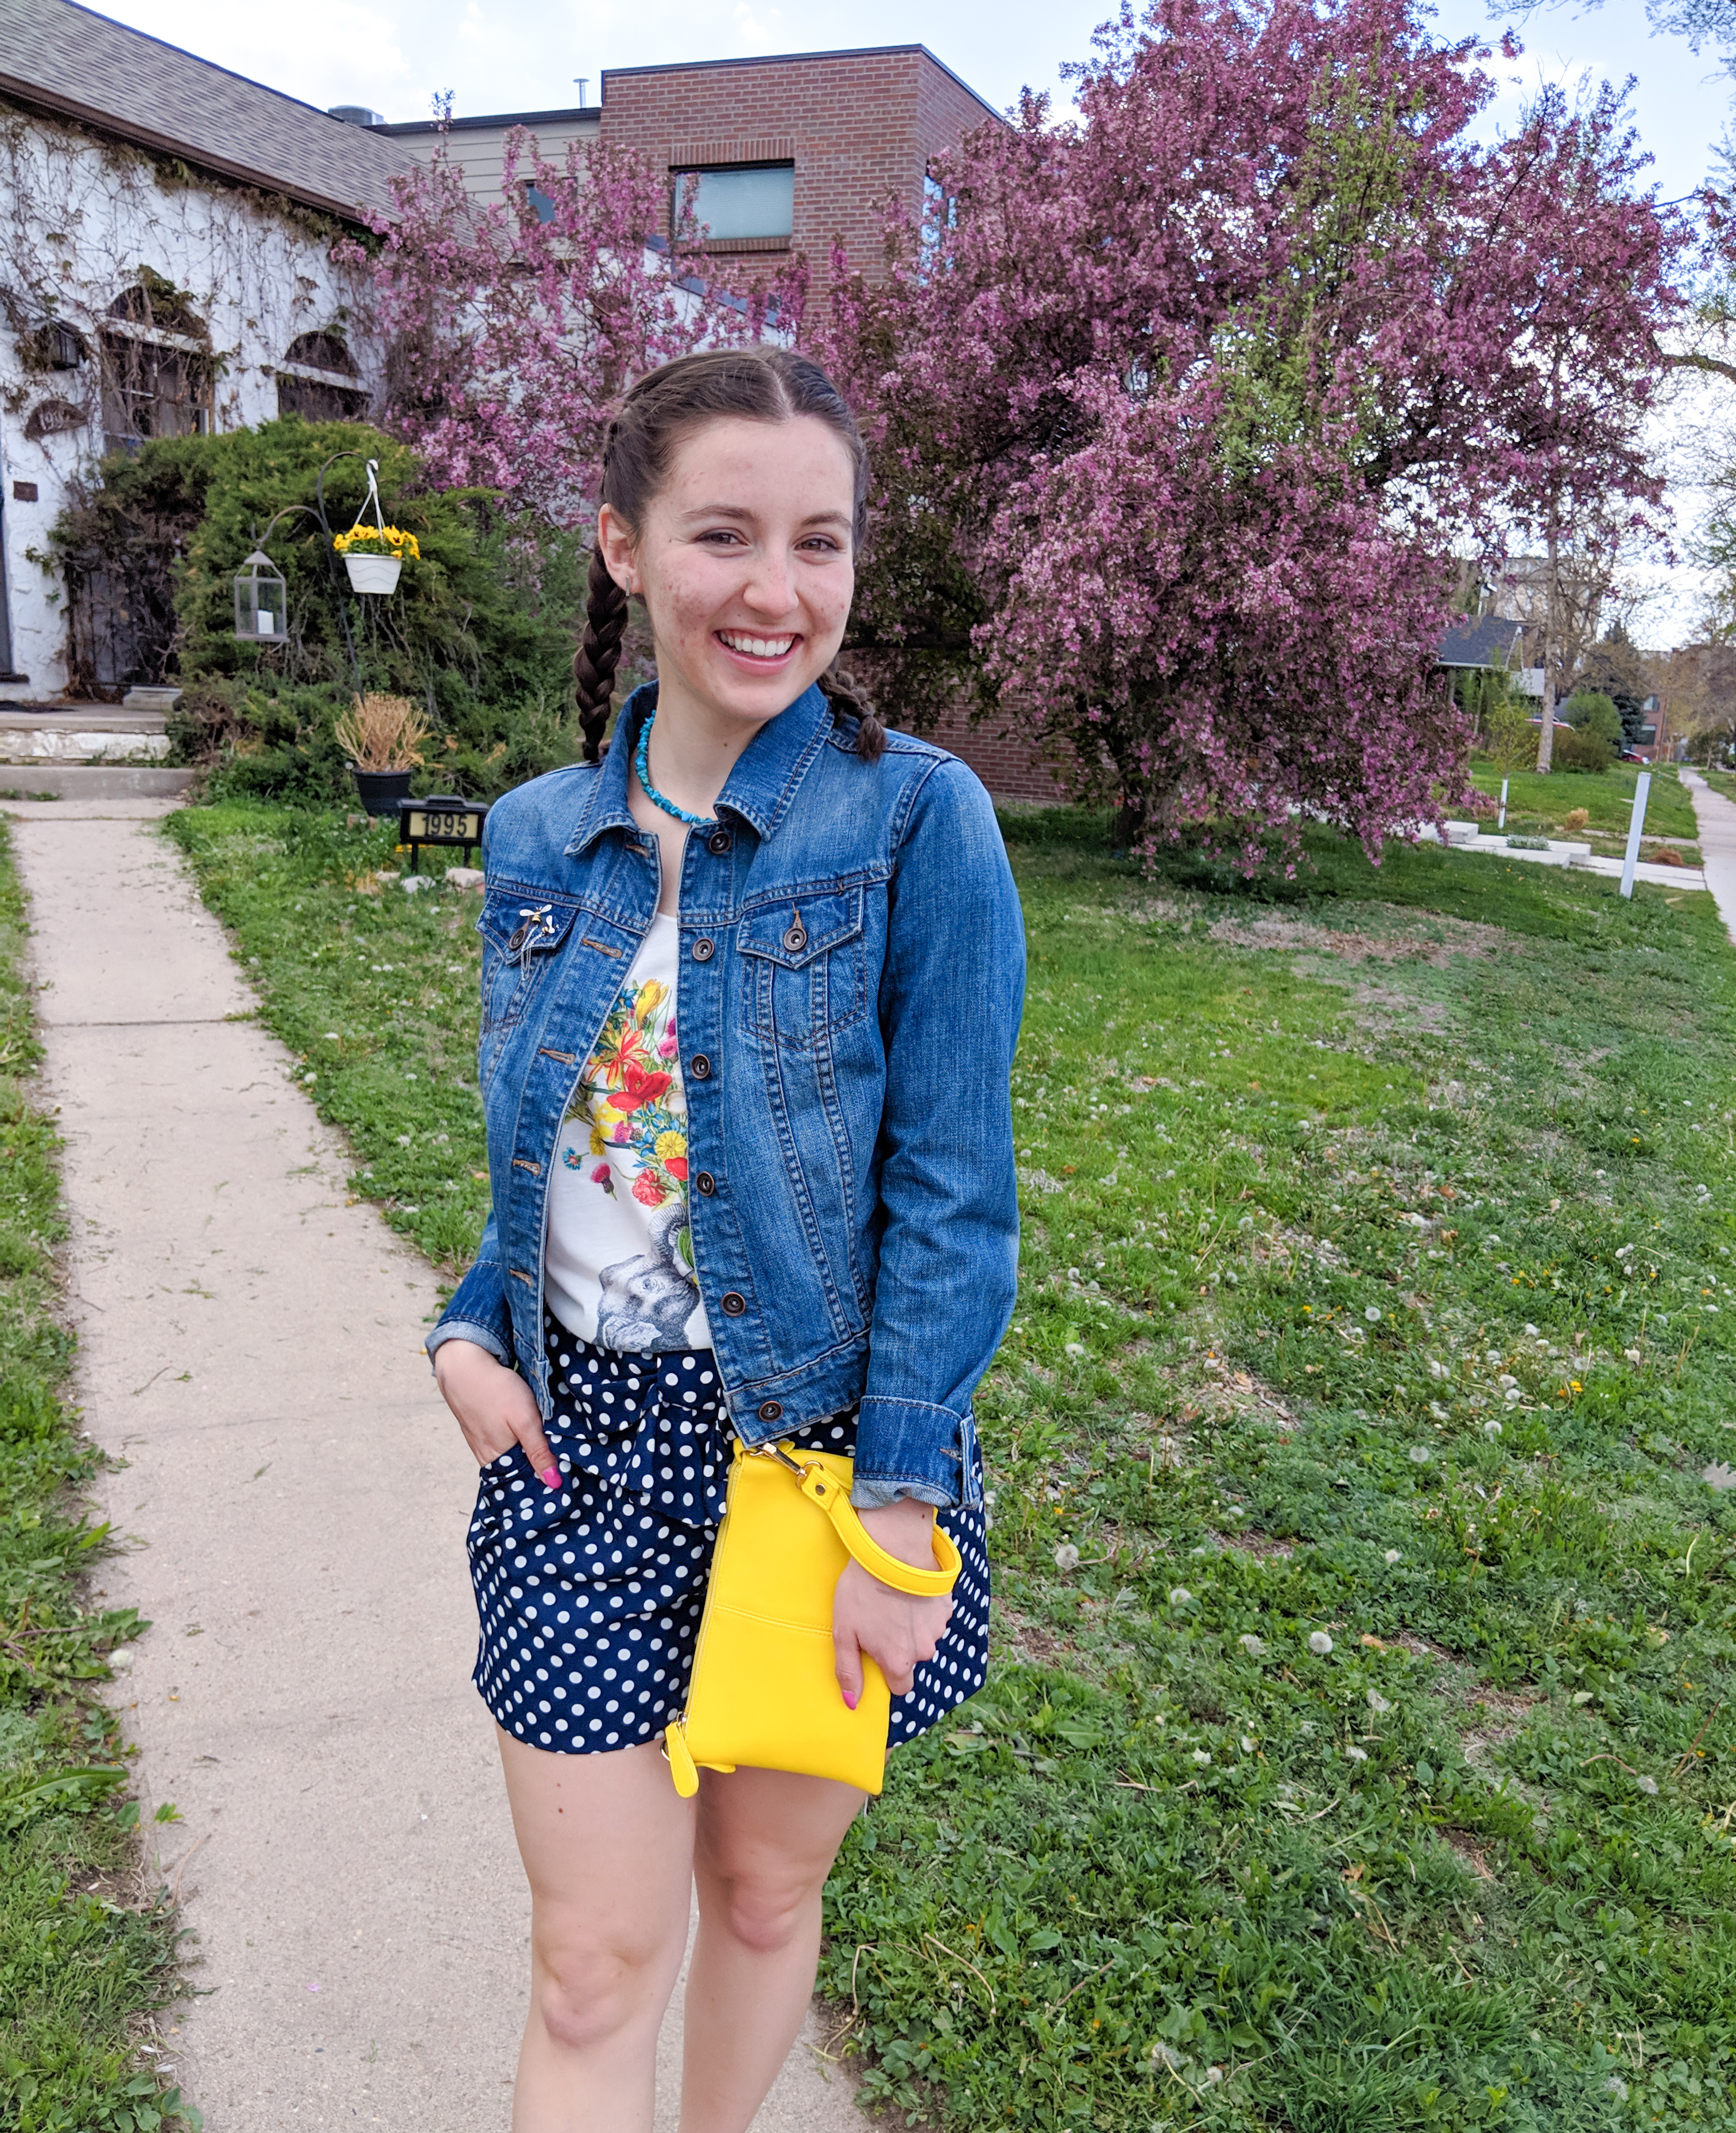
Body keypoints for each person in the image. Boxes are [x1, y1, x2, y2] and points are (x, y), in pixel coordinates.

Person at [427, 346, 1025, 2133]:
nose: (778, 591)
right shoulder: (541, 836)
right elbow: (550, 1152)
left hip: (825, 1471)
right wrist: (468, 1324)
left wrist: (901, 1511)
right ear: (620, 544)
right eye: (724, 535)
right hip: (576, 1464)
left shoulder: (923, 819)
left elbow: (953, 1192)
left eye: (820, 542)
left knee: (763, 1894)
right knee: (593, 1960)